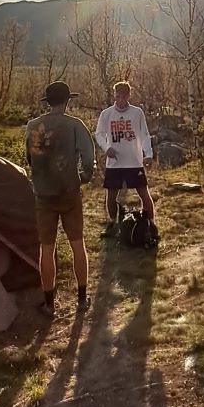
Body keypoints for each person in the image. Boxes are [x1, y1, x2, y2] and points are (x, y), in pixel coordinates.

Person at [25, 81, 96, 318]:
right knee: (78, 244)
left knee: (47, 249)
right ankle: (82, 299)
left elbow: (29, 157)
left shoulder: (33, 126)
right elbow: (88, 157)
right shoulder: (75, 125)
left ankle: (49, 303)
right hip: (69, 192)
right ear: (67, 101)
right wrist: (84, 176)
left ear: (48, 102)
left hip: (43, 194)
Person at [95, 81, 154, 237]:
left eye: (124, 96)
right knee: (111, 195)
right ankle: (112, 223)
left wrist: (148, 154)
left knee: (143, 194)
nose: (120, 99)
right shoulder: (106, 114)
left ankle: (151, 224)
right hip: (115, 164)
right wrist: (107, 148)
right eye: (117, 96)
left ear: (129, 95)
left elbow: (144, 134)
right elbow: (99, 134)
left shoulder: (137, 113)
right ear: (114, 95)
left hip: (134, 162)